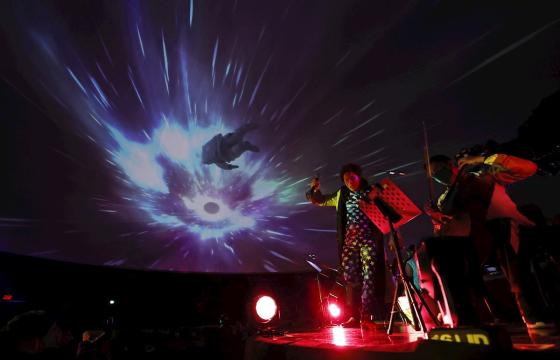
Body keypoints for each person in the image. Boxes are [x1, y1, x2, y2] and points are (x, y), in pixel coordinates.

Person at [425, 152, 553, 328]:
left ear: (451, 164)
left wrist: (481, 159)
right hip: (475, 243)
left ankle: (532, 317)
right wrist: (437, 217)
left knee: (508, 252)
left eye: (439, 169)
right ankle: (467, 317)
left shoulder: (483, 177)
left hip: (501, 231)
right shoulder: (444, 199)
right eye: (434, 175)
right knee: (447, 260)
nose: (438, 176)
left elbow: (528, 168)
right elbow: (448, 228)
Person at [306, 163, 385, 327]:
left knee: (369, 277)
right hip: (350, 242)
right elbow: (320, 200)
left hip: (368, 240)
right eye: (346, 179)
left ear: (359, 177)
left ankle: (366, 316)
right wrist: (314, 189)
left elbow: (386, 214)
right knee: (350, 277)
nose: (350, 182)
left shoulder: (370, 191)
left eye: (353, 178)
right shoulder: (342, 194)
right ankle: (355, 315)